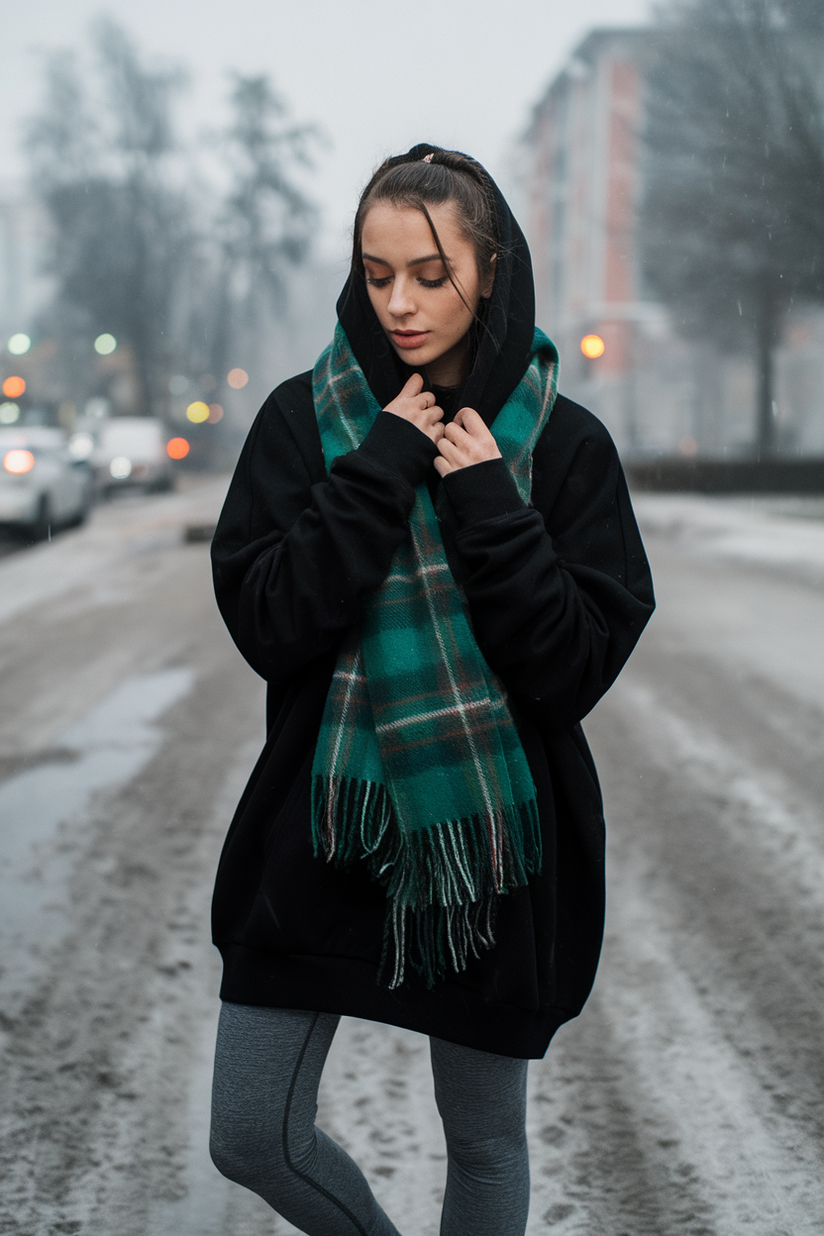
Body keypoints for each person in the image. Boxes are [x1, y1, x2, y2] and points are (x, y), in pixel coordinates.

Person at [208, 144, 654, 1236]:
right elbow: (272, 624)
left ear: (490, 271)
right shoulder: (302, 424)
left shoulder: (562, 448)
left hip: (488, 853)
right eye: (374, 274)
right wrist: (379, 469)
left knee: (484, 1145)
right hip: (323, 828)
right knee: (252, 1131)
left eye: (429, 273)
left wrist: (491, 507)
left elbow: (569, 672)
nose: (398, 303)